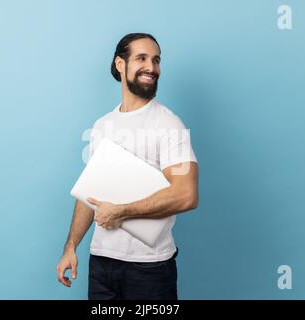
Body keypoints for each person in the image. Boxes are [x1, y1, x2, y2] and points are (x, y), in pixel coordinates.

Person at [56, 33, 199, 300]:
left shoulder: (169, 125)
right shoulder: (102, 126)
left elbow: (187, 195)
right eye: (142, 58)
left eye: (156, 60)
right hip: (101, 264)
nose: (152, 67)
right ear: (120, 64)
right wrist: (71, 247)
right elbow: (89, 195)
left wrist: (121, 212)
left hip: (150, 268)